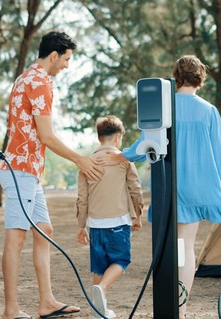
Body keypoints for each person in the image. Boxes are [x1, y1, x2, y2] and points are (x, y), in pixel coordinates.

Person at [96, 55, 221, 319]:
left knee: (172, 248)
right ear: (200, 78)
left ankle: (172, 307)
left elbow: (146, 145)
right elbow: (220, 159)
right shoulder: (209, 111)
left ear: (176, 77)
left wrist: (122, 155)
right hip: (197, 186)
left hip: (170, 187)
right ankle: (180, 310)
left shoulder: (165, 108)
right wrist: (212, 184)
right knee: (186, 247)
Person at [0, 31, 104, 319]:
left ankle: (47, 302)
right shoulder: (40, 83)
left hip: (27, 169)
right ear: (54, 55)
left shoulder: (26, 77)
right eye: (67, 59)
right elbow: (46, 136)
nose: (68, 65)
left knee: (44, 231)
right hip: (20, 170)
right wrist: (79, 159)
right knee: (16, 237)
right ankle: (10, 311)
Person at [75, 115, 144, 319]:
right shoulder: (124, 161)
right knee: (121, 260)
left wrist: (81, 226)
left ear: (99, 138)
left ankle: (100, 310)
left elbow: (82, 198)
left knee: (99, 265)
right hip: (118, 223)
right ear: (117, 138)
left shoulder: (86, 163)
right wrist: (138, 215)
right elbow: (135, 190)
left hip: (95, 225)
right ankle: (103, 287)